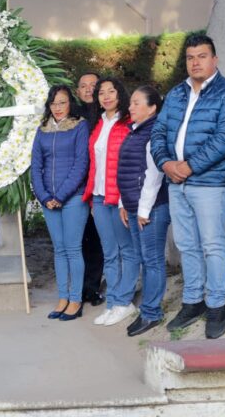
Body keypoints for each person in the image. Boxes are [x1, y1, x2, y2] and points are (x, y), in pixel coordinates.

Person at [150, 34, 225, 339]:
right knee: (186, 244)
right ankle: (193, 302)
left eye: (202, 56)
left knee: (212, 245)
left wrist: (187, 167)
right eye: (190, 57)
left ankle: (217, 306)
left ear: (214, 59)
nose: (195, 62)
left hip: (210, 183)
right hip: (176, 182)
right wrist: (166, 163)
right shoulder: (176, 93)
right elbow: (159, 132)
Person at [31, 85, 90, 322]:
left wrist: (61, 195)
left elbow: (81, 164)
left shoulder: (79, 126)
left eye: (62, 102)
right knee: (59, 249)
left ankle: (75, 299)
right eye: (53, 103)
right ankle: (63, 297)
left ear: (70, 103)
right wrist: (44, 196)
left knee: (73, 249)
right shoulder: (42, 130)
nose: (57, 108)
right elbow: (36, 166)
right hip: (49, 200)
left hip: (73, 197)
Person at [82, 77, 137, 327]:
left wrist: (126, 199)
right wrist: (92, 199)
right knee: (110, 252)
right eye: (101, 92)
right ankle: (113, 302)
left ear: (120, 94)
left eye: (111, 91)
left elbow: (132, 163)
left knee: (127, 250)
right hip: (99, 196)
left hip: (120, 197)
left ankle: (125, 301)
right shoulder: (98, 123)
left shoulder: (128, 122)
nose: (106, 96)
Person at [117, 86, 170, 336]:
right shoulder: (134, 131)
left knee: (153, 260)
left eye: (136, 103)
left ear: (152, 108)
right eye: (131, 103)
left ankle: (151, 313)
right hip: (134, 206)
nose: (131, 107)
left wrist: (144, 209)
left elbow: (154, 174)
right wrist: (123, 204)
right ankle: (147, 310)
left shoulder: (154, 133)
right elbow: (126, 171)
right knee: (144, 259)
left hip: (151, 208)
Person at [76, 72, 106, 306]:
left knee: (97, 240)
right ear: (77, 92)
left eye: (93, 85)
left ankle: (92, 288)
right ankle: (78, 288)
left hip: (100, 187)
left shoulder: (107, 116)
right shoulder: (73, 116)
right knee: (79, 240)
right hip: (77, 186)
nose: (88, 90)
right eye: (83, 86)